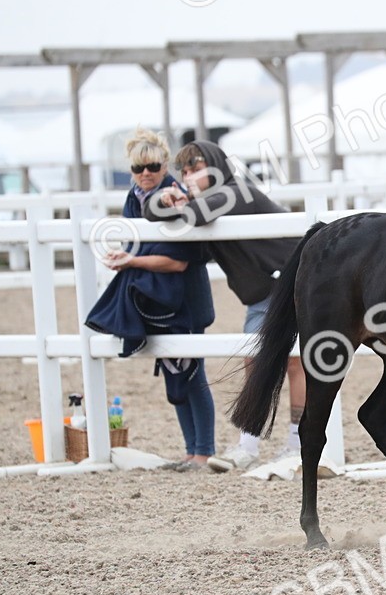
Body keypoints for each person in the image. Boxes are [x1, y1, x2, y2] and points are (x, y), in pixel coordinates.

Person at [145, 140, 334, 475]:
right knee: (254, 361)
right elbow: (154, 214)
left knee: (294, 363)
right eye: (184, 171)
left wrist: (177, 199)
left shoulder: (235, 193)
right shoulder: (215, 200)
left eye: (196, 168)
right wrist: (162, 198)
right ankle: (249, 445)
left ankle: (295, 445)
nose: (189, 176)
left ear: (215, 166)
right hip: (265, 293)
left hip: (296, 282)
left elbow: (195, 215)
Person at [85, 129, 216, 471]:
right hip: (157, 299)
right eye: (138, 168)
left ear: (163, 166)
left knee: (191, 374)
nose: (145, 173)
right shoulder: (133, 198)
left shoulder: (175, 197)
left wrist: (131, 261)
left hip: (185, 300)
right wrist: (127, 256)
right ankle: (191, 451)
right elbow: (138, 244)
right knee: (175, 374)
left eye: (153, 166)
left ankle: (203, 451)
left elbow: (177, 261)